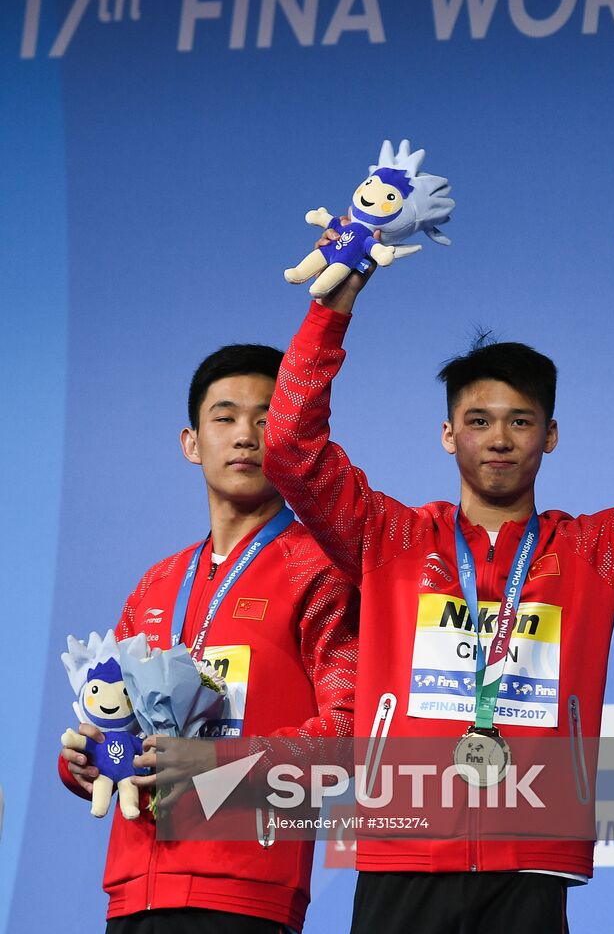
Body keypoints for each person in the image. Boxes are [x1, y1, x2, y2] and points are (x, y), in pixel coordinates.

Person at [262, 232, 614, 934]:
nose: (498, 439)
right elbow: (289, 446)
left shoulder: (594, 553)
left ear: (549, 435)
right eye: (478, 421)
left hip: (531, 859)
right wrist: (332, 308)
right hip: (403, 849)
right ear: (446, 434)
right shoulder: (389, 541)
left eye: (519, 421)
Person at [60, 343, 359, 934]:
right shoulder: (156, 583)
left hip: (246, 898)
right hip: (132, 898)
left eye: (268, 418)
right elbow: (113, 719)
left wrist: (215, 765)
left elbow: (347, 738)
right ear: (191, 444)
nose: (246, 436)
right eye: (224, 417)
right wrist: (86, 760)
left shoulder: (321, 572)